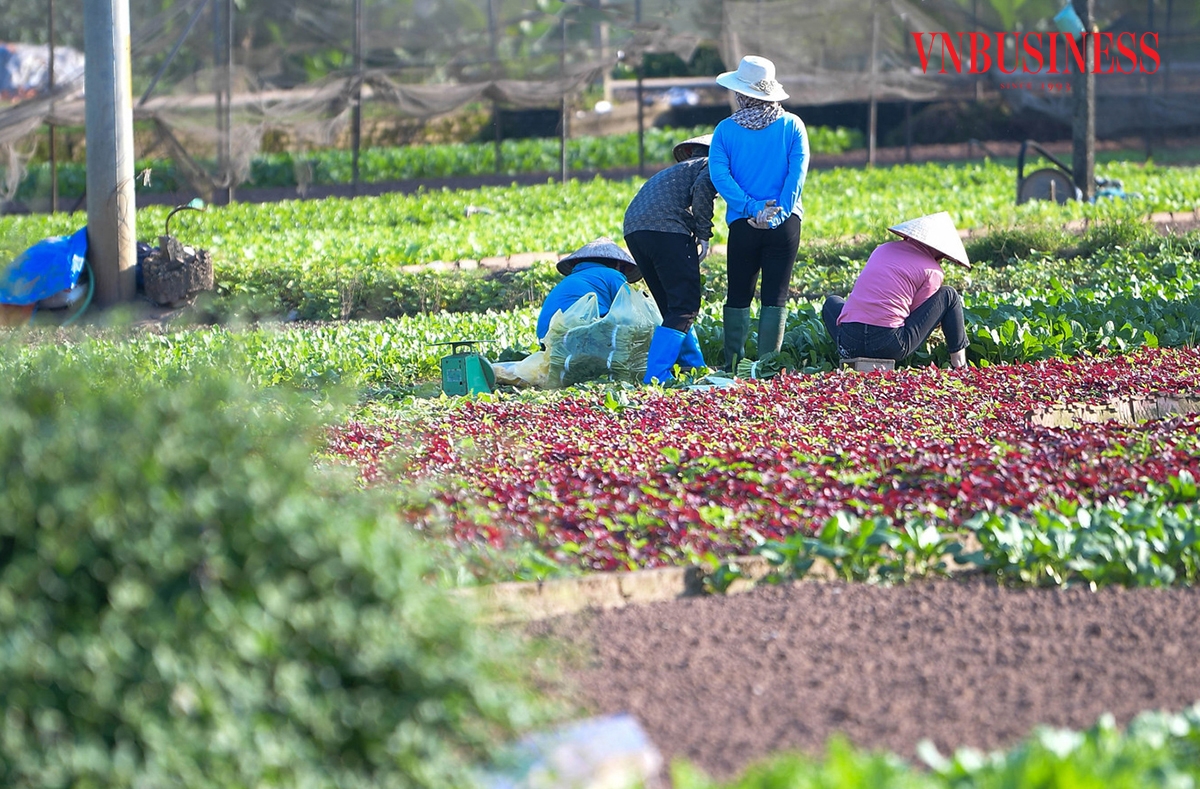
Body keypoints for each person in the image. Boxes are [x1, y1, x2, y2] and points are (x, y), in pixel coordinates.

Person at [708, 55, 810, 371]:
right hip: (786, 223)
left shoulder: (725, 130)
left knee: (738, 293)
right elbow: (797, 175)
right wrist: (778, 213)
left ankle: (733, 364)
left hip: (744, 222)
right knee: (775, 295)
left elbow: (719, 175)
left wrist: (751, 207)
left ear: (741, 94)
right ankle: (766, 366)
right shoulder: (793, 125)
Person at [623, 133, 718, 383]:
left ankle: (694, 366)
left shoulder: (674, 171)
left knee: (671, 306)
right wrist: (703, 233)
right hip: (667, 230)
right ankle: (656, 375)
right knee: (685, 306)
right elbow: (702, 191)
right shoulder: (710, 164)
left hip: (635, 231)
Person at [821, 211, 970, 368]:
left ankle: (850, 354)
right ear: (940, 250)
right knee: (949, 295)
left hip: (850, 342)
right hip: (889, 344)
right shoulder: (933, 271)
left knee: (832, 302)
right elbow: (916, 313)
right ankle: (959, 364)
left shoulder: (882, 249)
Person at [536, 237, 642, 342]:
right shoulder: (613, 275)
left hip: (547, 341)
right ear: (618, 265)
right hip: (580, 336)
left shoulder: (568, 281)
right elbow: (630, 312)